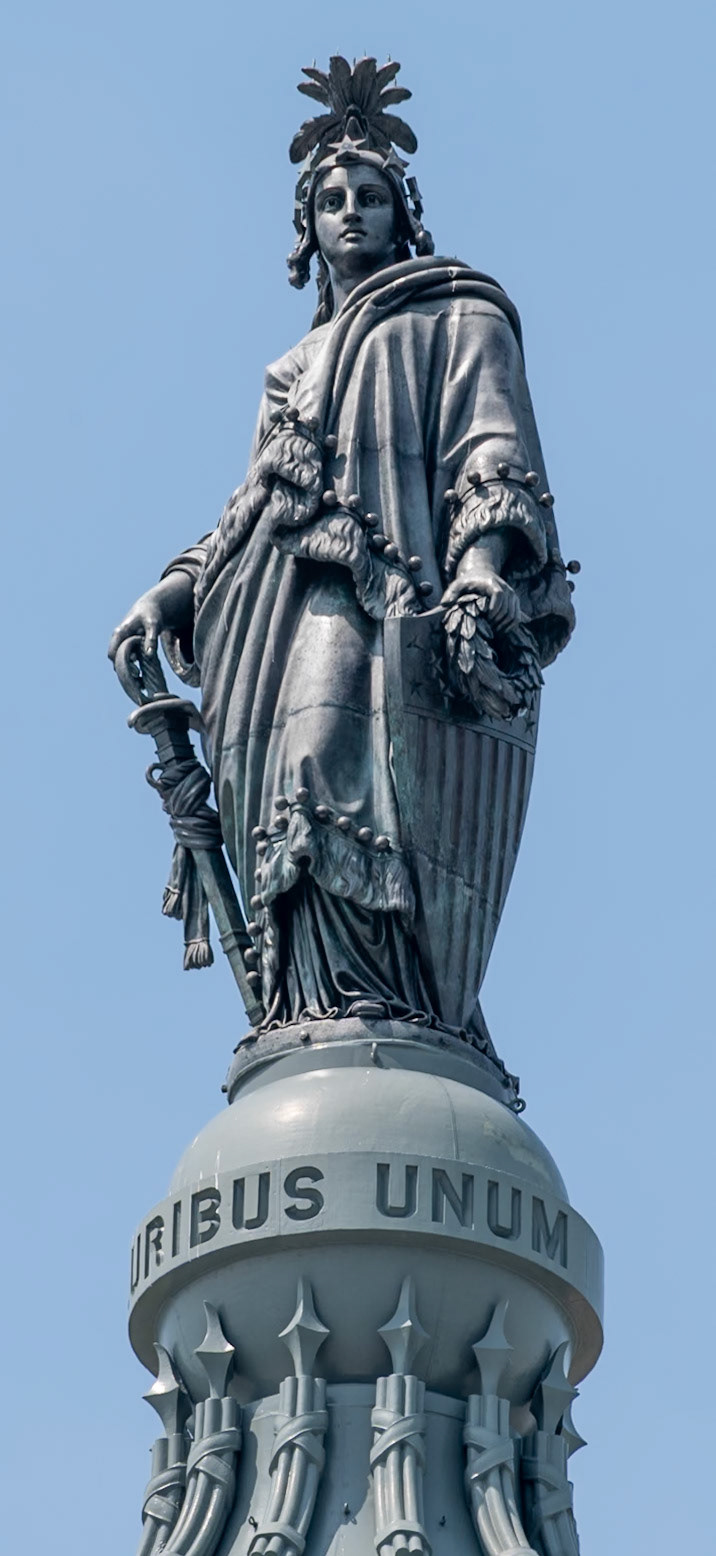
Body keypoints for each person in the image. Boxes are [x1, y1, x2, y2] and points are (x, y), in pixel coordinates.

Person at [109, 58, 574, 1045]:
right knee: (289, 790)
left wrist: (482, 565)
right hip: (279, 615)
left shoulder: (460, 315)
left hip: (397, 610)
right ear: (307, 227)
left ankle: (387, 997)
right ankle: (308, 1003)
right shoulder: (291, 368)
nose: (350, 212)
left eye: (369, 195)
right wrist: (179, 585)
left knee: (337, 775)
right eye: (330, 199)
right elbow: (253, 510)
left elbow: (492, 450)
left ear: (402, 214)